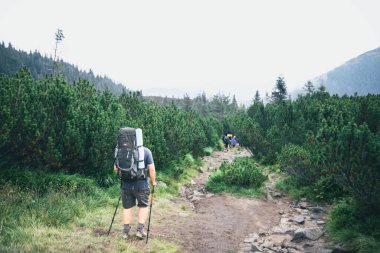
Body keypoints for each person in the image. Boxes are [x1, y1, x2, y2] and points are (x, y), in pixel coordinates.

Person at [114, 146, 156, 240]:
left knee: (127, 207)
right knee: (143, 206)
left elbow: (116, 169)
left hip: (126, 185)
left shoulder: (121, 151)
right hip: (141, 185)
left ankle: (125, 232)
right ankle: (140, 231)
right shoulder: (146, 151)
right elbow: (151, 169)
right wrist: (153, 182)